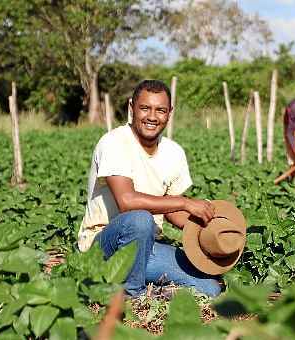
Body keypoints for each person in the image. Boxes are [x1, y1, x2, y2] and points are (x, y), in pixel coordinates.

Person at [77, 80, 222, 298]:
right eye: (145, 108)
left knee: (210, 289)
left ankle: (148, 287)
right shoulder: (114, 143)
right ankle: (131, 294)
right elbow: (127, 202)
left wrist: (208, 228)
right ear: (131, 107)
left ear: (169, 113)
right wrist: (185, 202)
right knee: (140, 220)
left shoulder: (173, 152)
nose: (152, 117)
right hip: (104, 247)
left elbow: (174, 212)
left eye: (160, 110)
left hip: (147, 246)